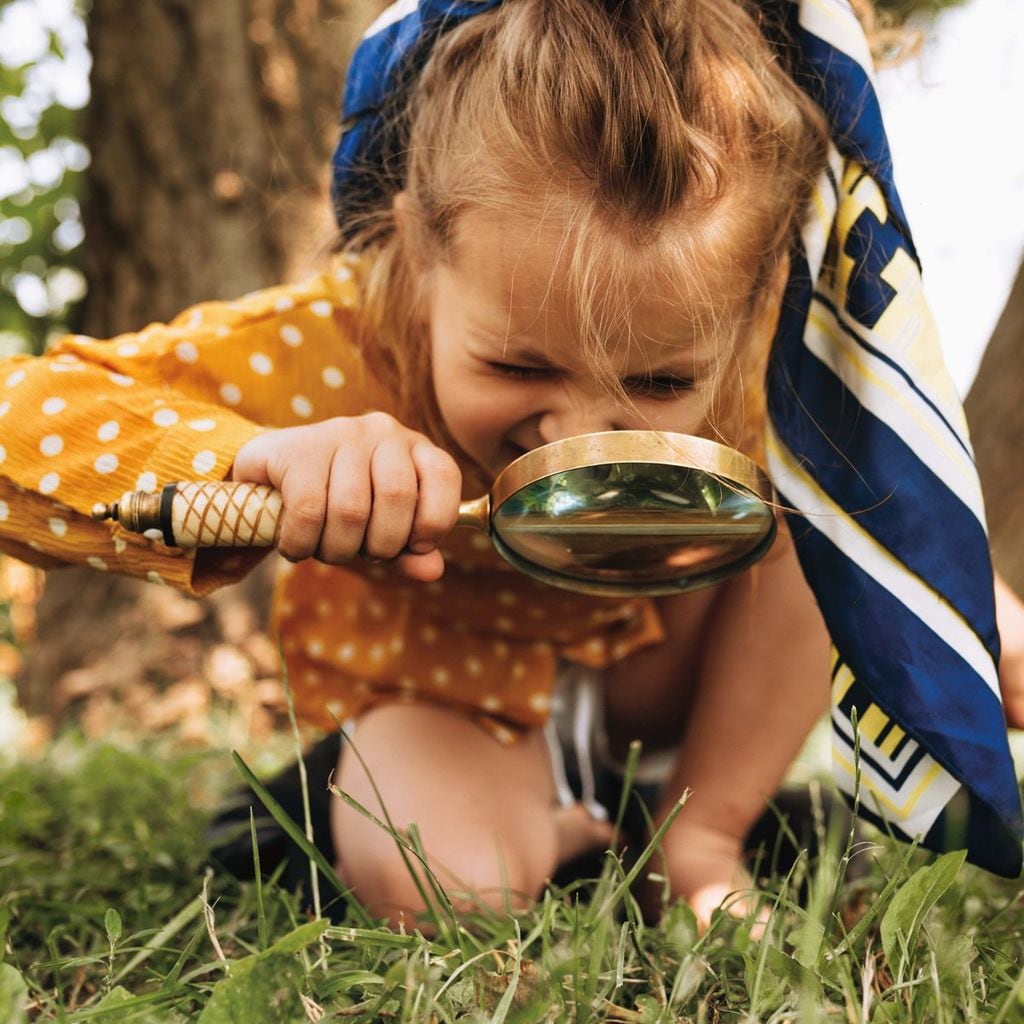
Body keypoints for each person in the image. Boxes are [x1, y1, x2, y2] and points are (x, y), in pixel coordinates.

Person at [1, 0, 1021, 931]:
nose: (577, 428)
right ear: (418, 250)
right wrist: (256, 456)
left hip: (655, 688)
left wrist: (974, 618)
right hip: (446, 705)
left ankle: (702, 834)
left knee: (824, 495)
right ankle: (549, 829)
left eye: (661, 382)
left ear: (755, 297)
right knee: (453, 882)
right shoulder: (337, 343)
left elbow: (891, 526)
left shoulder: (768, 364)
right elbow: (21, 426)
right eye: (519, 363)